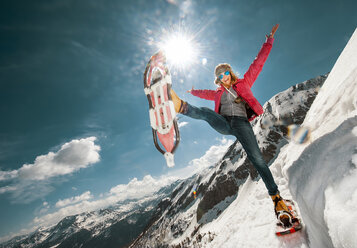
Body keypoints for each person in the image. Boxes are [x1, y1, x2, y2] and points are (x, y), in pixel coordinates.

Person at [170, 24, 293, 227]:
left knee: (257, 160)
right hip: (225, 123)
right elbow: (205, 93)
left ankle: (276, 199)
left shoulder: (243, 83)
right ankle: (181, 106)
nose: (223, 77)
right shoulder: (217, 93)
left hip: (242, 124)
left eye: (225, 73)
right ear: (217, 80)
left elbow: (258, 63)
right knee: (206, 113)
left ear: (230, 73)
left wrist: (268, 40)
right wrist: (193, 92)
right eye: (219, 76)